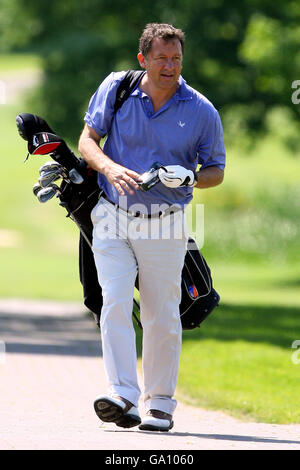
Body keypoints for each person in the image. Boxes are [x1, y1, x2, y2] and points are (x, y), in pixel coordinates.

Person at [78, 23, 225, 432]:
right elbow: (87, 141)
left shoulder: (200, 109)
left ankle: (159, 403)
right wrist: (107, 166)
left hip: (166, 224)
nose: (170, 66)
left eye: (176, 58)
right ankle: (122, 392)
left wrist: (191, 177)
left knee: (162, 313)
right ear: (143, 58)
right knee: (116, 300)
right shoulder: (117, 88)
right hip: (112, 214)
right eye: (161, 58)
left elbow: (216, 170)